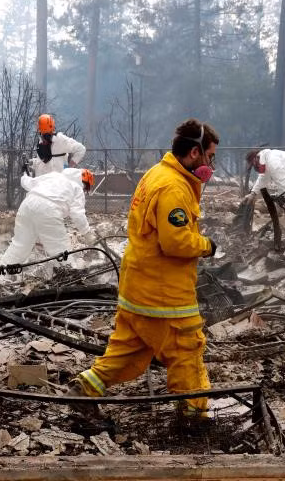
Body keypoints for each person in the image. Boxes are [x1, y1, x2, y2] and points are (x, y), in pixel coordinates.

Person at [67, 118, 219, 416]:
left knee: (129, 350)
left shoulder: (156, 174)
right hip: (164, 296)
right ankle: (194, 418)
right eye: (210, 156)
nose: (211, 164)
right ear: (194, 153)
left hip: (137, 290)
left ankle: (86, 388)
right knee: (186, 351)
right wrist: (205, 245)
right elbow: (174, 242)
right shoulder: (174, 187)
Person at [0, 168, 96, 265]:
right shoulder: (77, 188)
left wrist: (24, 175)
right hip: (49, 210)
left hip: (27, 206)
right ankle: (69, 274)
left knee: (20, 245)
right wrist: (87, 233)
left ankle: (2, 272)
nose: (85, 190)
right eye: (86, 188)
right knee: (61, 251)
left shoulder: (53, 176)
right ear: (84, 183)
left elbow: (28, 183)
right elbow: (77, 214)